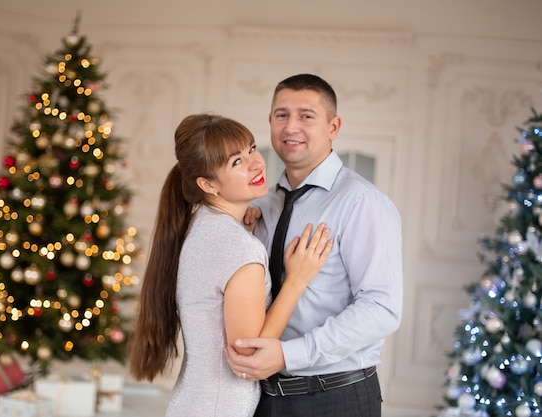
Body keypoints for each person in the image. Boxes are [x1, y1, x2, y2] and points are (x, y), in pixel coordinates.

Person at [128, 113, 333, 417]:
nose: (256, 163)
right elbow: (249, 356)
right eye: (236, 162)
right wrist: (296, 281)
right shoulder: (238, 247)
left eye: (251, 149)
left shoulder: (198, 225)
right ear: (207, 184)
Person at [225, 74, 403, 417]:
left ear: (333, 127)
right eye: (281, 115)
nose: (291, 127)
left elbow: (382, 308)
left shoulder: (363, 202)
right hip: (259, 397)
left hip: (334, 398)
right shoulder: (259, 206)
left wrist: (289, 355)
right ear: (270, 122)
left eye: (306, 116)